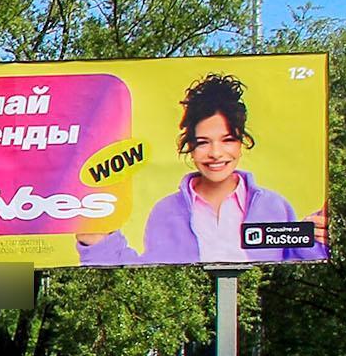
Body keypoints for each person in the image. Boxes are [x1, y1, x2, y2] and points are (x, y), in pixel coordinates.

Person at [78, 74, 327, 265]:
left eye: (228, 140)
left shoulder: (274, 206)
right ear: (190, 146)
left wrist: (314, 240)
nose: (216, 153)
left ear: (241, 142)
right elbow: (146, 278)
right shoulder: (165, 213)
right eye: (203, 142)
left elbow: (293, 274)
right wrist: (98, 243)